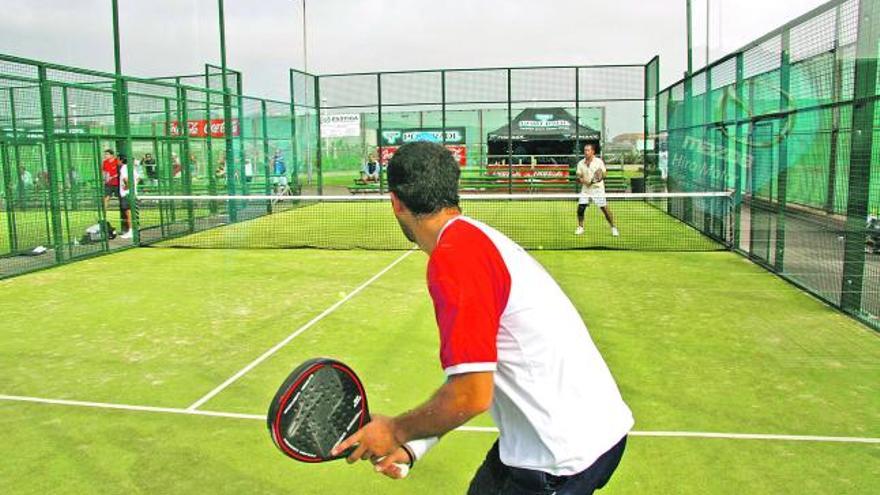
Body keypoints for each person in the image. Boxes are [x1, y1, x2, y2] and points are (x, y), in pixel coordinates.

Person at [333, 142, 633, 494]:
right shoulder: (474, 237)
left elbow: (471, 395)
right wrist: (417, 445)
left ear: (395, 202)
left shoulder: (454, 259)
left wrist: (395, 430)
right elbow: (471, 383)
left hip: (562, 457)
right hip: (591, 432)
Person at [575, 143, 619, 237]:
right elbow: (578, 177)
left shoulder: (598, 162)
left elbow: (604, 174)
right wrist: (584, 181)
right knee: (580, 209)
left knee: (604, 209)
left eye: (588, 150)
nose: (586, 152)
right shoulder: (580, 163)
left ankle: (613, 227)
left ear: (593, 151)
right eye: (585, 150)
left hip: (598, 189)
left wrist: (597, 178)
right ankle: (580, 227)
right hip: (586, 189)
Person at [117, 154, 139, 240]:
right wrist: (133, 185)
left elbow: (127, 180)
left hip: (127, 194)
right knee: (132, 212)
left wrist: (128, 186)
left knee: (128, 213)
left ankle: (131, 231)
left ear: (121, 160)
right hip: (132, 193)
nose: (117, 161)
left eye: (118, 159)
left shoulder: (123, 168)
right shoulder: (131, 168)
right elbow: (138, 178)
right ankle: (134, 230)